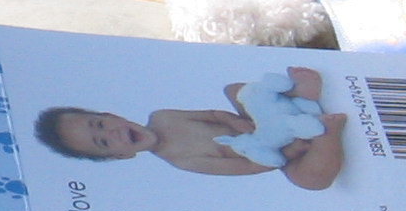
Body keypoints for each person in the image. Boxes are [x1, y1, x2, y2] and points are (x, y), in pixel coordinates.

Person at [35, 67, 348, 188]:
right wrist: (288, 152)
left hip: (258, 121)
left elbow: (212, 115)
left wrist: (236, 121)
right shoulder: (183, 161)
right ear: (121, 156)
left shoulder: (163, 117)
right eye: (103, 142)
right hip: (269, 149)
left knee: (234, 90)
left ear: (111, 114)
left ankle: (300, 94)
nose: (111, 133)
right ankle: (326, 134)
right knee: (309, 180)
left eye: (101, 124)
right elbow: (243, 167)